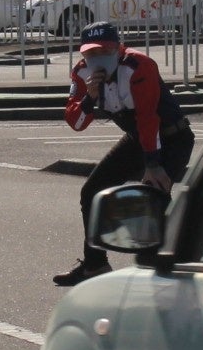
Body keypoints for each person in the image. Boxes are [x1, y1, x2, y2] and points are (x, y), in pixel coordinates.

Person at [52, 22, 195, 286]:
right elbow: (76, 123)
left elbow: (148, 118)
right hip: (137, 137)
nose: (98, 59)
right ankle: (95, 265)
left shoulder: (138, 66)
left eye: (105, 51)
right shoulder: (82, 73)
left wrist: (153, 164)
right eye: (92, 53)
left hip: (172, 137)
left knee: (153, 195)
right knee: (92, 191)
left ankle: (163, 265)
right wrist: (89, 98)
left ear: (118, 48)